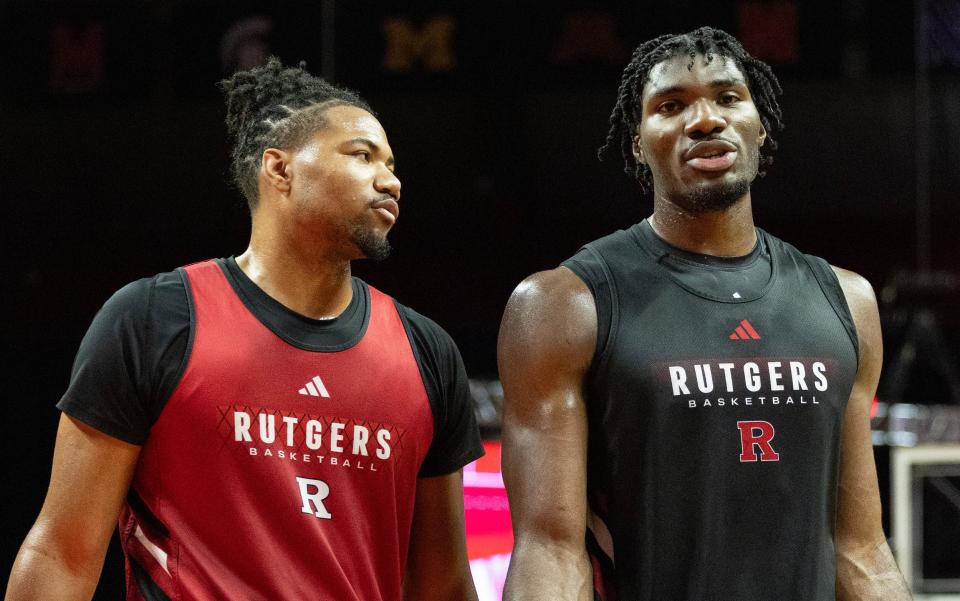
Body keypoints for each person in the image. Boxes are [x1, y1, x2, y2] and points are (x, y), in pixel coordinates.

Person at [6, 58, 483, 601]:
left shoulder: (428, 352)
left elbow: (442, 585)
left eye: (392, 164)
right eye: (362, 155)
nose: (390, 180)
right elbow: (63, 553)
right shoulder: (155, 320)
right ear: (279, 169)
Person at [498, 27, 912, 601]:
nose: (704, 120)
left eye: (727, 98)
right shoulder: (563, 304)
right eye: (671, 106)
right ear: (637, 143)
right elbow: (550, 549)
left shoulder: (845, 299)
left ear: (760, 126)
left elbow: (860, 547)